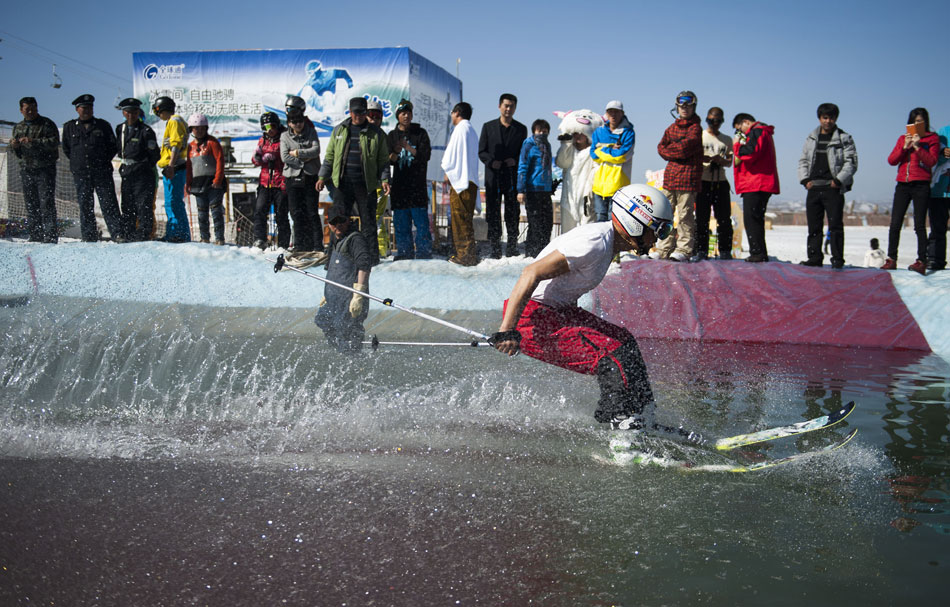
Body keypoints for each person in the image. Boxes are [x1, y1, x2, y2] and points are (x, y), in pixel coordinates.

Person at [491, 183, 673, 429]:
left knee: (625, 342)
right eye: (659, 231)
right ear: (636, 224)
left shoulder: (608, 244)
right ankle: (619, 426)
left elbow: (564, 286)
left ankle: (643, 415)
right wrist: (507, 331)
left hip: (559, 313)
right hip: (533, 321)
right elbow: (530, 272)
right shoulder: (594, 242)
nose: (658, 240)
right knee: (612, 354)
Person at [317, 97, 390, 266]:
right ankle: (335, 257)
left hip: (366, 185)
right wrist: (322, 176)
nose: (359, 116)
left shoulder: (376, 133)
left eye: (363, 112)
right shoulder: (339, 131)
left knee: (369, 222)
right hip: (343, 184)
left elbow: (383, 160)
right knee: (338, 221)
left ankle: (371, 260)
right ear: (350, 112)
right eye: (356, 112)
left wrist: (385, 179)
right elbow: (329, 157)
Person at [797, 103, 858, 269]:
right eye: (825, 117)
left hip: (833, 188)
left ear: (836, 118)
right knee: (814, 226)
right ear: (819, 118)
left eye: (831, 117)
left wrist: (838, 181)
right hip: (814, 187)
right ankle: (814, 258)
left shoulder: (844, 138)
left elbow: (851, 163)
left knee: (836, 225)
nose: (828, 121)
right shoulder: (811, 138)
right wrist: (805, 180)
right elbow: (803, 160)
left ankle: (837, 259)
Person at [883, 108, 939, 275]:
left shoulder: (932, 139)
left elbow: (932, 161)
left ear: (926, 122)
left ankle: (922, 260)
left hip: (921, 184)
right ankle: (891, 259)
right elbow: (891, 160)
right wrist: (905, 147)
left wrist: (917, 147)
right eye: (915, 121)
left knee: (919, 224)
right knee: (895, 223)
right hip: (902, 184)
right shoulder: (902, 138)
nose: (917, 124)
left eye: (921, 121)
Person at [62, 94, 123, 242]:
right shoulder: (69, 127)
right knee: (85, 205)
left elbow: (112, 146)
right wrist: (80, 162)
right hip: (81, 173)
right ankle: (89, 236)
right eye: (84, 108)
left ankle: (117, 234)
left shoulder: (103, 125)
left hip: (102, 172)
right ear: (77, 109)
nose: (87, 110)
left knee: (109, 203)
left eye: (90, 107)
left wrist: (100, 161)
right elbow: (67, 149)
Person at [314, 204, 373, 353]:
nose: (338, 226)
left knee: (347, 329)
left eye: (341, 221)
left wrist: (359, 295)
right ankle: (339, 354)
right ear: (329, 224)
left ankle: (354, 358)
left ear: (348, 220)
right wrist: (326, 294)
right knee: (323, 320)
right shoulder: (335, 239)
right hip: (334, 298)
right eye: (334, 223)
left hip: (349, 299)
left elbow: (364, 266)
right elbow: (331, 268)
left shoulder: (355, 239)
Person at [653, 91, 703, 261]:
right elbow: (661, 148)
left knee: (685, 216)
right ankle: (663, 248)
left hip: (688, 179)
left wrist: (672, 150)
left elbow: (685, 148)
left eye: (688, 106)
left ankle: (684, 249)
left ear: (693, 107)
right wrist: (676, 150)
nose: (684, 109)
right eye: (681, 106)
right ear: (677, 107)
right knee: (664, 214)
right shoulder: (672, 128)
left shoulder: (696, 128)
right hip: (671, 178)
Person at [479, 93, 527, 258]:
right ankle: (495, 246)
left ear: (515, 108)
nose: (508, 109)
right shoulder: (488, 126)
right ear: (500, 106)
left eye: (512, 106)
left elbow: (523, 153)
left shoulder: (521, 129)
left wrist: (515, 160)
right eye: (506, 105)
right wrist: (492, 162)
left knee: (512, 212)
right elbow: (481, 151)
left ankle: (512, 245)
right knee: (493, 211)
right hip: (493, 176)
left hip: (512, 177)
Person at [387, 99, 433, 261]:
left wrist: (408, 148)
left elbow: (425, 155)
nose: (406, 116)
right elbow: (389, 160)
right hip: (400, 189)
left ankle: (424, 253)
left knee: (421, 226)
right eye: (402, 113)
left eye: (408, 113)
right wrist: (396, 150)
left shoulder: (420, 133)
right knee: (401, 225)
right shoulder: (392, 136)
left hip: (417, 188)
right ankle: (404, 253)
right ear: (397, 116)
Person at [11, 97, 60, 243]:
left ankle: (50, 236)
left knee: (46, 203)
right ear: (21, 110)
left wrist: (34, 142)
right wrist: (15, 146)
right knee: (31, 203)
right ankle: (35, 234)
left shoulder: (47, 124)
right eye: (27, 109)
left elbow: (54, 142)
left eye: (33, 108)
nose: (31, 112)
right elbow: (17, 151)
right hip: (26, 170)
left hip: (44, 170)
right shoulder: (18, 127)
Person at [732, 113, 779, 262]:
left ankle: (757, 253)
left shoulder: (757, 131)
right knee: (755, 218)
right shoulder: (761, 132)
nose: (740, 134)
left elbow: (750, 152)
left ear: (746, 122)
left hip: (757, 183)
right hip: (756, 182)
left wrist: (736, 145)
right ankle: (759, 252)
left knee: (752, 219)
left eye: (739, 130)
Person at [440, 101, 480, 266]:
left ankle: (464, 256)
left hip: (460, 181)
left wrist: (448, 172)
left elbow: (452, 155)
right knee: (466, 219)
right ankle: (469, 254)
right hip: (469, 181)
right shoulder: (471, 130)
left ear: (457, 112)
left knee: (460, 219)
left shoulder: (460, 129)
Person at [115, 98, 160, 242]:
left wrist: (143, 166)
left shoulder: (146, 131)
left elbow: (155, 155)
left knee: (143, 206)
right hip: (127, 172)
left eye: (134, 112)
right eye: (128, 112)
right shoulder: (120, 129)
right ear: (123, 112)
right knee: (127, 205)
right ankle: (128, 234)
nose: (131, 115)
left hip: (142, 173)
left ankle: (143, 235)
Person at [281, 106, 323, 256]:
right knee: (296, 212)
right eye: (294, 122)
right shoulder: (285, 136)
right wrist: (305, 160)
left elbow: (316, 150)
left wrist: (298, 153)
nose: (298, 124)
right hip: (292, 177)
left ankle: (318, 245)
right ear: (289, 123)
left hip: (310, 176)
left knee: (312, 211)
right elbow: (285, 157)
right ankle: (300, 244)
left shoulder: (311, 132)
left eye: (300, 121)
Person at [553, 109, 603, 233]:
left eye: (582, 133)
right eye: (575, 133)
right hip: (568, 197)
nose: (578, 136)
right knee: (567, 233)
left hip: (586, 197)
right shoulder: (569, 149)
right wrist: (565, 143)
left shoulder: (594, 152)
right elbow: (561, 163)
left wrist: (589, 193)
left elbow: (597, 172)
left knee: (585, 231)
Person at [695, 106, 733, 261]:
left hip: (720, 182)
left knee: (724, 219)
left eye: (717, 120)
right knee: (701, 220)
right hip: (703, 181)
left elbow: (730, 161)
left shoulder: (727, 139)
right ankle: (701, 250)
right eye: (711, 120)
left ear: (722, 121)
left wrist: (720, 160)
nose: (714, 123)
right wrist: (707, 159)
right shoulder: (700, 137)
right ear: (707, 120)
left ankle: (725, 251)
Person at [152, 95, 191, 242]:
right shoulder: (175, 121)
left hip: (174, 167)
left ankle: (178, 234)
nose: (158, 114)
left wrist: (170, 165)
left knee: (173, 202)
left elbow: (175, 144)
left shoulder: (174, 121)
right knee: (173, 202)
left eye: (158, 110)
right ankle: (176, 233)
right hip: (175, 167)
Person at [590, 100, 635, 223]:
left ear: (622, 113)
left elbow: (622, 155)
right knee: (599, 220)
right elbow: (593, 154)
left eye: (616, 112)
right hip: (599, 185)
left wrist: (602, 149)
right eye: (610, 112)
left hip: (618, 185)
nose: (613, 115)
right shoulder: (598, 131)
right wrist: (610, 148)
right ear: (606, 114)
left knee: (614, 220)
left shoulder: (628, 132)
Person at [184, 113, 226, 244]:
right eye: (196, 128)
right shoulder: (190, 147)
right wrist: (188, 183)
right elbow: (189, 167)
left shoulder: (212, 143)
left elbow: (220, 161)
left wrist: (218, 180)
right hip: (198, 184)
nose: (199, 131)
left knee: (216, 211)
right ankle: (204, 238)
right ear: (191, 130)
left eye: (202, 128)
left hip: (213, 184)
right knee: (202, 213)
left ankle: (219, 238)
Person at [251, 112, 289, 250]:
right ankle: (260, 239)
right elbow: (255, 161)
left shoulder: (284, 138)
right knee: (260, 210)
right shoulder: (262, 140)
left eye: (272, 126)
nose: (270, 130)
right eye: (266, 127)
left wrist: (275, 157)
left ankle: (283, 244)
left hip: (280, 181)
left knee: (281, 214)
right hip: (265, 181)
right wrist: (258, 157)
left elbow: (287, 159)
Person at [517, 119, 554, 257]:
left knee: (547, 223)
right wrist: (520, 189)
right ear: (534, 131)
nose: (542, 133)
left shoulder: (547, 145)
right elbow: (522, 167)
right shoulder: (529, 145)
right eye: (539, 131)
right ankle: (532, 252)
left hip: (545, 190)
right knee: (535, 223)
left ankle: (544, 250)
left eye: (545, 131)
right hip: (532, 189)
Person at [366, 99, 391, 258]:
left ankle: (381, 250)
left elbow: (385, 162)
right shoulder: (360, 133)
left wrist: (385, 180)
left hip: (378, 184)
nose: (374, 119)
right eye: (371, 115)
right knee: (362, 217)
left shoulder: (382, 136)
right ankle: (363, 249)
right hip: (362, 184)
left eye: (377, 116)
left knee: (376, 217)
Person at [927, 123, 950, 271]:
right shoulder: (942, 133)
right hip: (939, 189)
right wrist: (942, 155)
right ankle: (935, 259)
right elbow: (932, 159)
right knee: (938, 228)